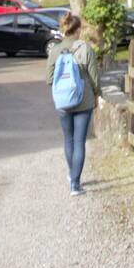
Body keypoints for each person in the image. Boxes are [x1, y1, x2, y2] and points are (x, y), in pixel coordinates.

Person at [46, 12, 101, 195]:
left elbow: (49, 79)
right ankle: (75, 184)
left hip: (62, 101)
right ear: (77, 30)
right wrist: (96, 94)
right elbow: (94, 77)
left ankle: (72, 175)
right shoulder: (84, 49)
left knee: (68, 139)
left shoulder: (55, 50)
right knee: (79, 142)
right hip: (83, 101)